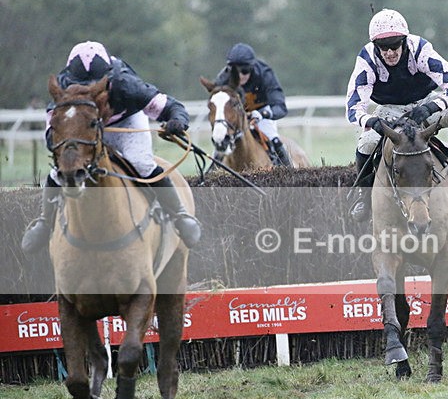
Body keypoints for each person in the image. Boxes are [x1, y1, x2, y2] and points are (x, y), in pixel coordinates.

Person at [21, 41, 201, 254]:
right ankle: (45, 222)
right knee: (59, 170)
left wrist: (176, 121)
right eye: (82, 84)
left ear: (108, 78)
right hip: (82, 126)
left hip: (125, 123)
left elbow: (172, 107)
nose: (87, 90)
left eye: (94, 85)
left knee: (141, 163)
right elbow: (52, 133)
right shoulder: (63, 86)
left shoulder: (126, 84)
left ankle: (179, 215)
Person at [345, 9, 448, 221]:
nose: (390, 52)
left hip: (425, 103)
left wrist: (432, 107)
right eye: (383, 47)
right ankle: (364, 198)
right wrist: (372, 121)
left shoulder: (420, 49)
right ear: (375, 46)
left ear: (404, 40)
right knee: (366, 142)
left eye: (395, 45)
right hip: (389, 110)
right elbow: (353, 107)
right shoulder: (367, 58)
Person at [214, 43, 293, 167]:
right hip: (238, 115)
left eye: (244, 71)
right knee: (220, 144)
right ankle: (210, 177)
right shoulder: (223, 79)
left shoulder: (265, 74)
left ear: (251, 67)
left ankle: (289, 173)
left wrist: (262, 114)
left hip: (261, 113)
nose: (240, 76)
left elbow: (280, 107)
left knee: (274, 139)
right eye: (235, 72)